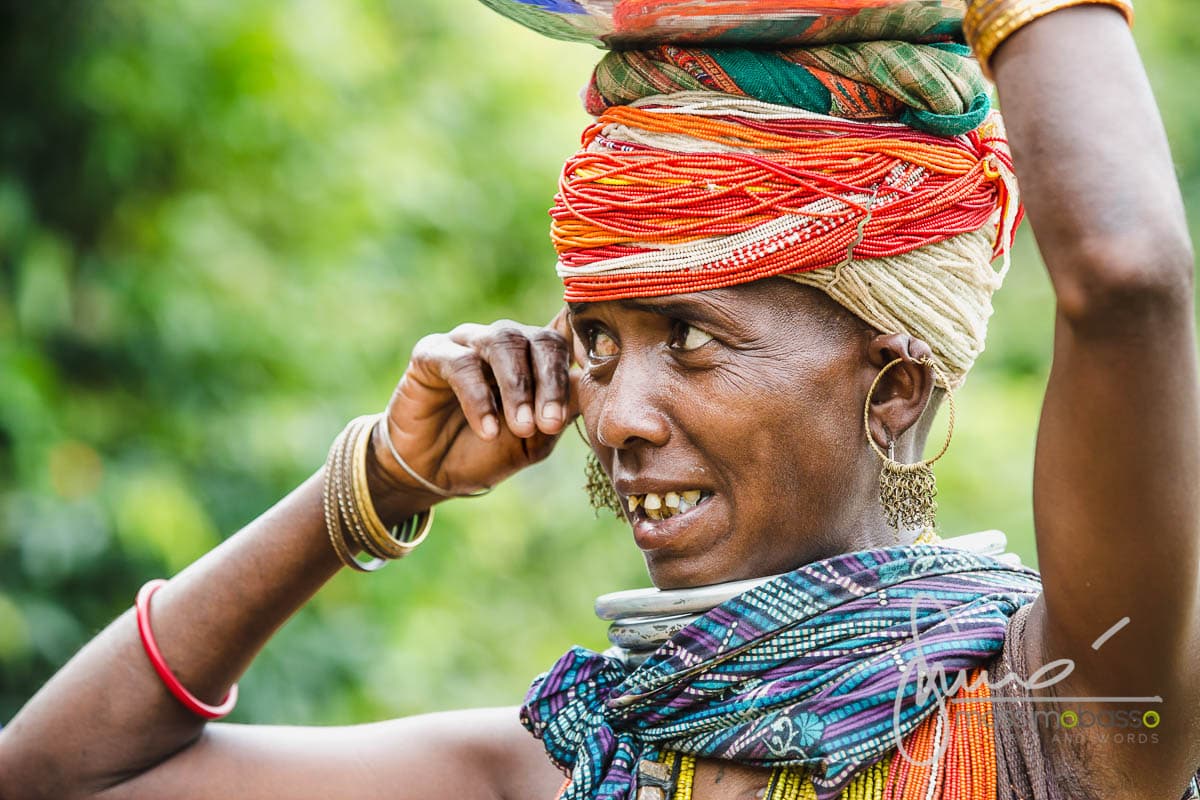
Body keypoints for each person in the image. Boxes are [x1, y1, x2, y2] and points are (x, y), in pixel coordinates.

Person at [1, 2, 1198, 799]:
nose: (615, 414)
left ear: (890, 389)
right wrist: (373, 485)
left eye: (690, 339)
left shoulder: (1067, 719)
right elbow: (61, 777)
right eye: (595, 343)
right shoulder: (579, 757)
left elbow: (1131, 278)